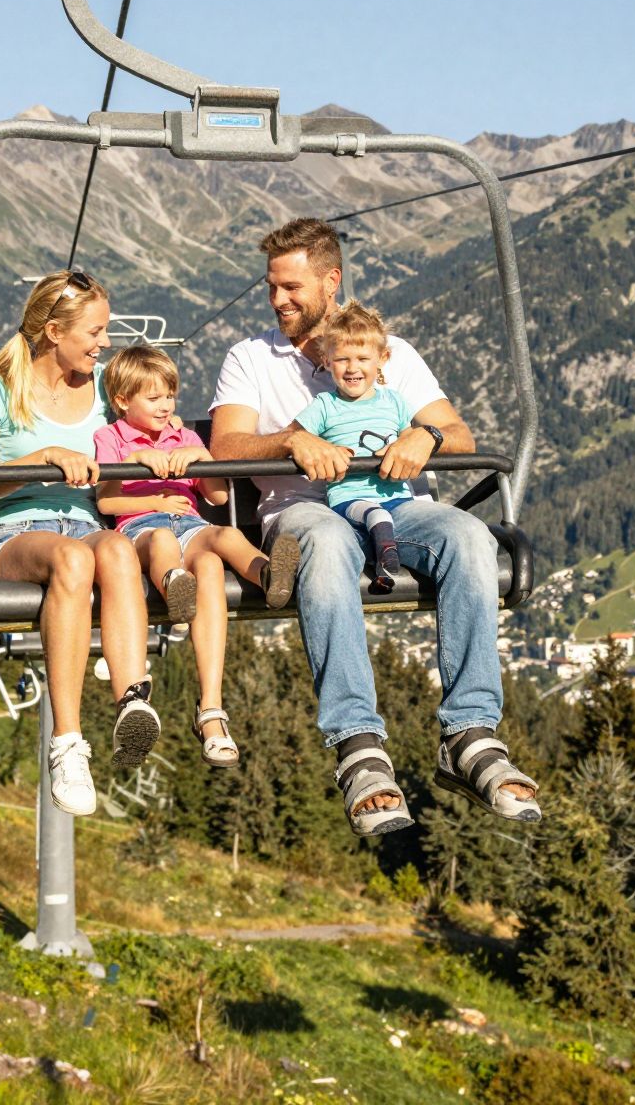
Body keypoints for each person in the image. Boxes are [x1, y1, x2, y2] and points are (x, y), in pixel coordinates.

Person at [208, 217, 540, 836]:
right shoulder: (252, 358)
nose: (279, 301)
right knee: (328, 544)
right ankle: (358, 744)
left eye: (292, 288)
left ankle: (469, 733)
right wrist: (290, 442)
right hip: (304, 509)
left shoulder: (389, 353)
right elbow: (225, 445)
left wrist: (425, 434)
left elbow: (458, 434)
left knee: (470, 536)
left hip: (394, 504)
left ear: (331, 281)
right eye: (272, 288)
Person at [0, 269, 155, 817]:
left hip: (89, 527)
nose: (104, 343)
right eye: (93, 332)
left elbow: (141, 434)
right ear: (53, 332)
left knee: (114, 550)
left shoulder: (99, 391)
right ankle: (67, 744)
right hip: (20, 534)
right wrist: (40, 460)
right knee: (72, 558)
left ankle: (131, 700)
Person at [92, 343, 300, 768]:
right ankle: (174, 584)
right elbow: (107, 505)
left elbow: (218, 496)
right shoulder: (110, 439)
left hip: (191, 525)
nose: (166, 405)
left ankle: (268, 575)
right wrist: (135, 464)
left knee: (222, 538)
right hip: (141, 530)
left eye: (170, 395)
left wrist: (203, 459)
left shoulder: (185, 437)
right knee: (166, 545)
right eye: (153, 398)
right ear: (122, 401)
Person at [290, 303, 414, 593]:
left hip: (397, 495)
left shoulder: (394, 402)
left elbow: (408, 438)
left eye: (362, 358)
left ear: (382, 359)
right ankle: (384, 556)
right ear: (327, 360)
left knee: (388, 521)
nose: (353, 368)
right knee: (376, 517)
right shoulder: (325, 405)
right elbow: (296, 436)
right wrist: (319, 449)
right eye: (343, 359)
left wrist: (409, 444)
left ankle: (385, 573)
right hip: (350, 497)